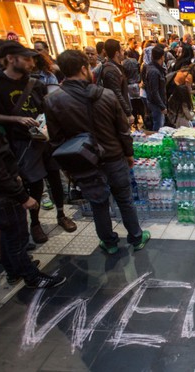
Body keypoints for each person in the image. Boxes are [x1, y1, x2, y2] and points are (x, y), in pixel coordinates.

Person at [0, 54, 66, 288]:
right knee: (16, 237)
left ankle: (15, 270)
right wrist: (22, 196)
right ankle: (31, 276)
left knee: (11, 237)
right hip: (0, 195)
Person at [44, 49, 150, 254]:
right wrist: (129, 154)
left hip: (83, 161)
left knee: (98, 204)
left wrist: (67, 167)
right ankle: (136, 238)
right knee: (125, 200)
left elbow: (56, 140)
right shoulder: (107, 95)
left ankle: (109, 243)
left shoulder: (53, 100)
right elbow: (123, 130)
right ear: (84, 69)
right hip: (114, 157)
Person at [0, 41, 76, 244]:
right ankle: (35, 223)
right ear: (10, 59)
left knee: (54, 176)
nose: (31, 63)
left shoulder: (36, 82)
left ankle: (61, 214)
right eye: (26, 59)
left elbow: (46, 107)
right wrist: (16, 119)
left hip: (44, 138)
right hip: (20, 142)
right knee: (33, 182)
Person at [95, 39, 134, 126]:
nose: (124, 52)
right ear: (117, 53)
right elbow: (116, 94)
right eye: (122, 50)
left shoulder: (114, 67)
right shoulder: (111, 70)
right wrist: (128, 113)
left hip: (119, 111)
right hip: (117, 113)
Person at [144, 45, 167, 131]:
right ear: (162, 57)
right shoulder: (154, 71)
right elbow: (154, 91)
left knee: (159, 124)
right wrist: (162, 106)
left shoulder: (154, 68)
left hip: (157, 102)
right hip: (156, 104)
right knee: (158, 125)